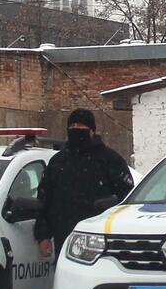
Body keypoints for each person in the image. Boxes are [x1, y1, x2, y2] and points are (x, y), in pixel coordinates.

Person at [35, 109, 134, 260]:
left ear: (92, 131)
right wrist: (43, 235)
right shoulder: (58, 162)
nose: (76, 129)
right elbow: (44, 200)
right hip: (65, 236)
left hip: (101, 240)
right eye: (72, 126)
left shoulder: (111, 160)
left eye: (81, 126)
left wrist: (108, 205)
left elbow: (127, 199)